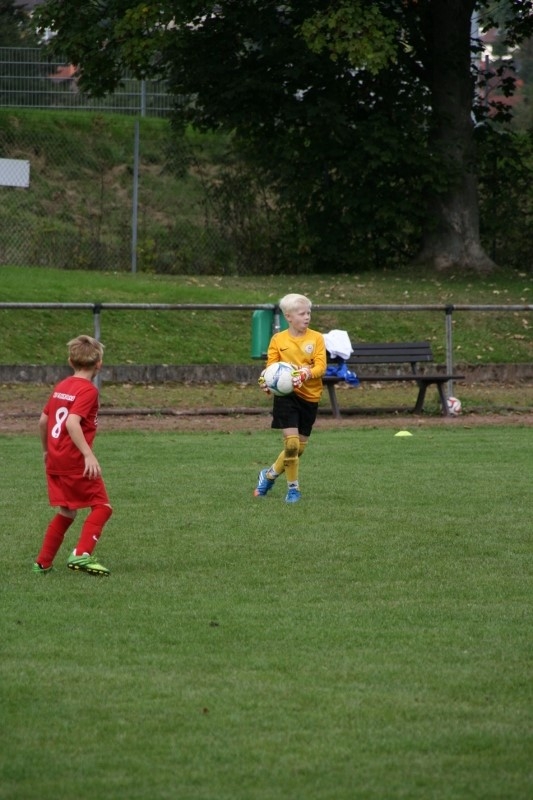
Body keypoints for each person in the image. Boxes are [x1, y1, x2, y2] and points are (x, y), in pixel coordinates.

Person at [32, 335, 113, 576]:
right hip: (74, 460)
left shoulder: (62, 386)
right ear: (99, 364)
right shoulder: (88, 390)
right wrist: (88, 455)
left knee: (67, 511)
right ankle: (82, 554)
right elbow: (71, 422)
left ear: (70, 361)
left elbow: (43, 421)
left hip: (56, 459)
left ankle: (42, 563)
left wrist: (46, 450)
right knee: (103, 507)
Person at [254, 293, 326, 504]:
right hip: (286, 396)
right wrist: (265, 381)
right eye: (302, 313)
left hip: (310, 397)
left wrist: (306, 373)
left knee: (298, 448)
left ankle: (269, 475)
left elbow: (321, 367)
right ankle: (293, 489)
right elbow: (271, 368)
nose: (307, 317)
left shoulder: (316, 338)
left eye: (309, 313)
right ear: (289, 316)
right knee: (292, 444)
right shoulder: (278, 340)